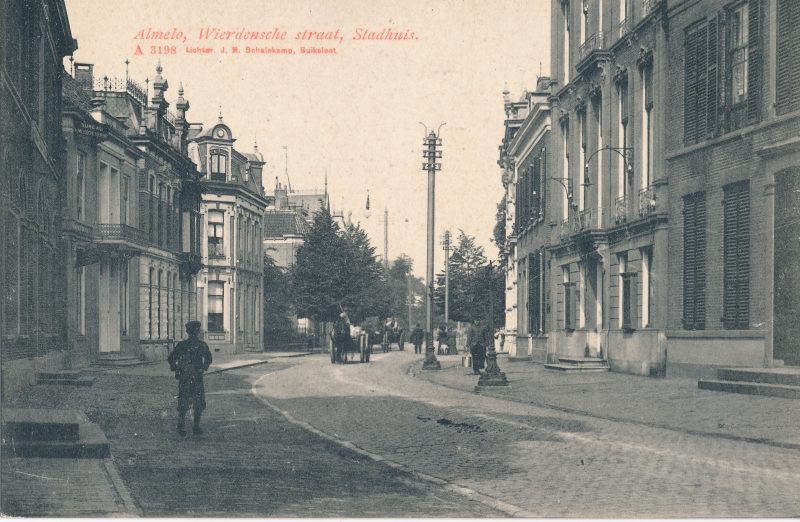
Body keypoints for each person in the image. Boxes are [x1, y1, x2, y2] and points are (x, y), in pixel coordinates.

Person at [168, 321, 213, 436]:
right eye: (196, 331)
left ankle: (182, 425)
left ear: (188, 332)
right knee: (197, 402)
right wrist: (203, 368)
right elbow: (208, 358)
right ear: (197, 332)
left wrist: (176, 369)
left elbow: (171, 358)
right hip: (196, 377)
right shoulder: (201, 345)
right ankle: (195, 427)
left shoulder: (182, 345)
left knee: (184, 401)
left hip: (185, 377)